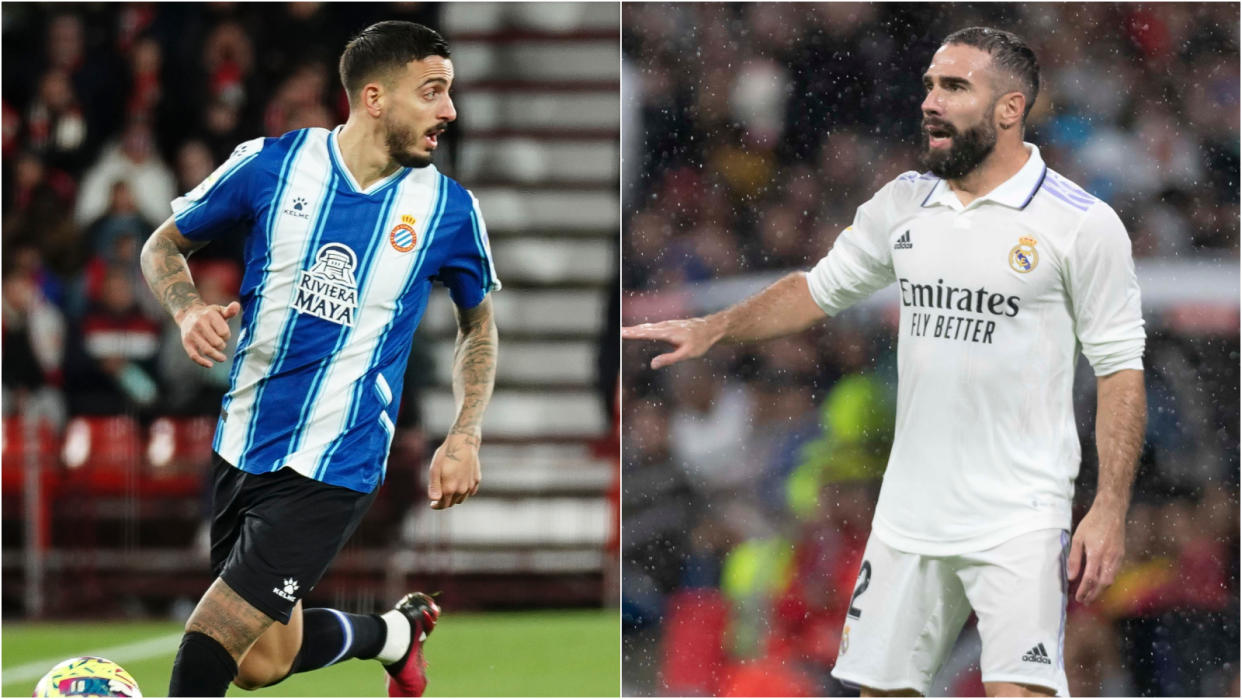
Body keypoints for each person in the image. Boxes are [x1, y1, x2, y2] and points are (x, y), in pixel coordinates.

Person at [623, 27, 1146, 698]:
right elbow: (814, 290)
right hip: (909, 511)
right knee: (881, 692)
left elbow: (1121, 370)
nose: (931, 100)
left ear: (1011, 109)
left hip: (1019, 510)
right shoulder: (904, 203)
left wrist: (1109, 506)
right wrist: (717, 327)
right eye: (929, 84)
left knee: (1020, 690)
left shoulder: (1081, 224)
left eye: (955, 87)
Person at [140, 21, 500, 697]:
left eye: (449, 93)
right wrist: (188, 309)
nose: (449, 111)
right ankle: (395, 635)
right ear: (374, 98)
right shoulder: (271, 164)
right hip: (242, 441)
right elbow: (161, 246)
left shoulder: (449, 210)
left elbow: (477, 328)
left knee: (210, 642)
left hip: (336, 461)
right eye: (432, 92)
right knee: (261, 662)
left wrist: (466, 429)